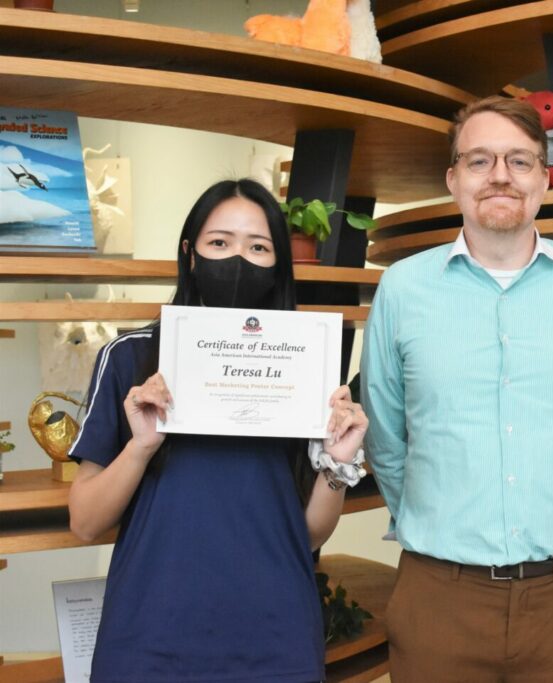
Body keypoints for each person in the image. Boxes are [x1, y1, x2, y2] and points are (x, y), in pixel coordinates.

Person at [361, 95, 553, 682]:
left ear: (544, 179)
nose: (500, 175)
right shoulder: (402, 288)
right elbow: (385, 437)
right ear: (453, 180)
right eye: (480, 160)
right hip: (439, 598)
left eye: (520, 161)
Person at [68, 178, 367, 682]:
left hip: (276, 642)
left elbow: (306, 533)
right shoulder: (130, 358)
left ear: (278, 266)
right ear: (190, 254)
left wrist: (336, 467)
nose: (238, 260)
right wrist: (141, 447)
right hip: (149, 639)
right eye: (220, 243)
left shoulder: (303, 365)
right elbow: (84, 522)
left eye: (259, 247)